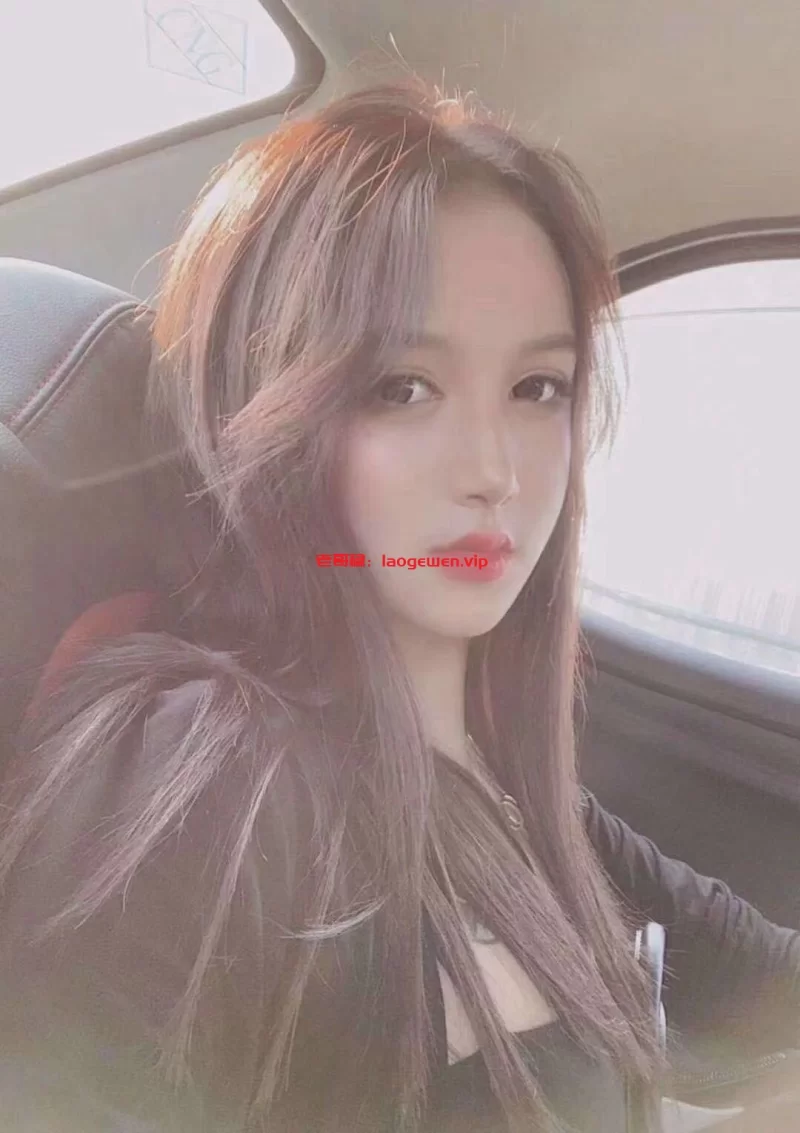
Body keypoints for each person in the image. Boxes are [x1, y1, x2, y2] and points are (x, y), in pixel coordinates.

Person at [0, 79, 798, 1133]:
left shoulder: (499, 773)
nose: (494, 471)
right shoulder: (203, 784)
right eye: (401, 387)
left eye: (537, 388)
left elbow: (754, 966)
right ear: (265, 411)